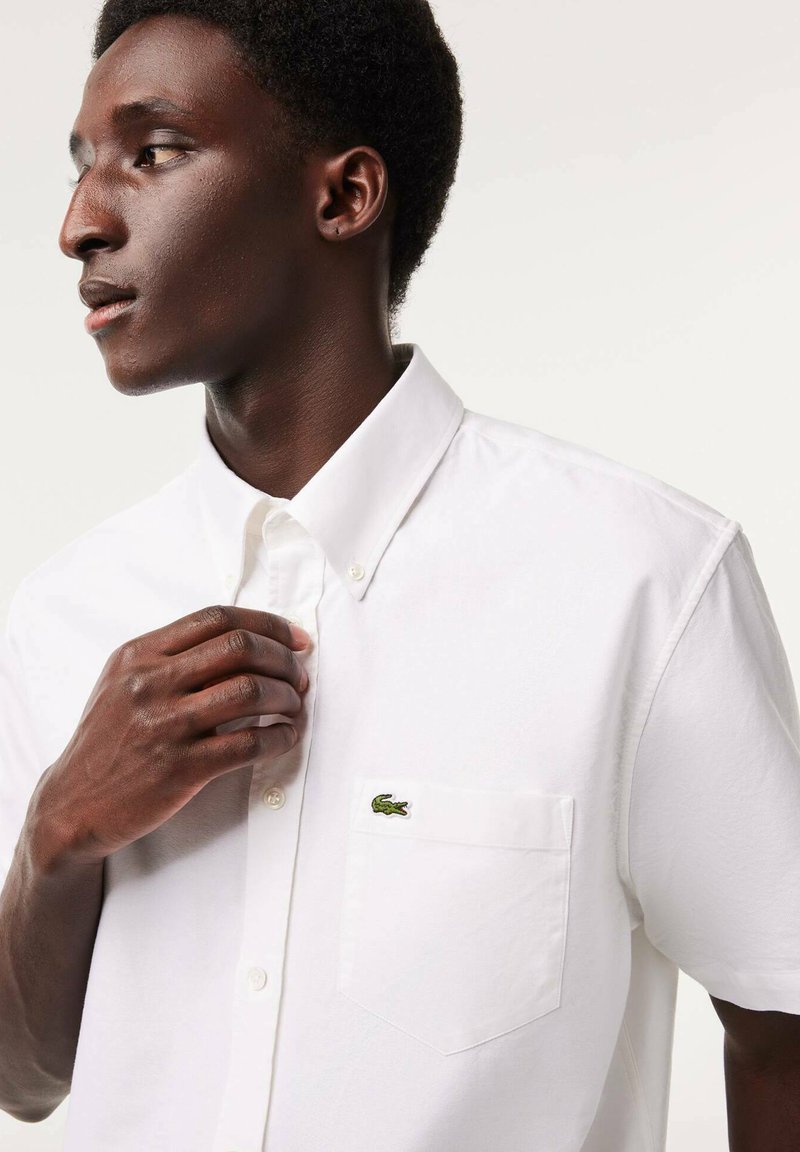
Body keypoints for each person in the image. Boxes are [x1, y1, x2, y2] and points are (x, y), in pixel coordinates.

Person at [1, 2, 799, 1149]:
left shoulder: (638, 582)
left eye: (155, 151)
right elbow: (24, 1078)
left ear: (343, 196)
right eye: (81, 165)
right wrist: (57, 835)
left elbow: (779, 1022)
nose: (81, 223)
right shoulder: (64, 614)